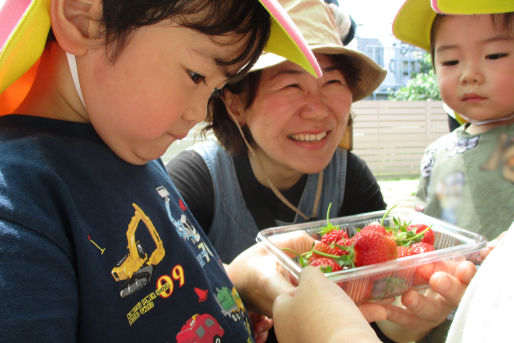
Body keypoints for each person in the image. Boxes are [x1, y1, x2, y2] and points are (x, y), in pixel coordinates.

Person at [0, 0, 324, 341]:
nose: (200, 112)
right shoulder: (19, 210)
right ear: (84, 19)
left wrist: (236, 289)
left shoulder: (128, 146)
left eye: (214, 88)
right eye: (195, 75)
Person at [166, 0, 473, 342]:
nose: (317, 110)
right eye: (291, 85)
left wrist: (405, 322)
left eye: (333, 84)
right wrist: (237, 283)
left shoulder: (349, 179)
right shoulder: (193, 182)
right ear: (236, 104)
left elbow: (373, 313)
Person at [392, 0, 514, 242]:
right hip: (444, 278)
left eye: (494, 55)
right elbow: (424, 223)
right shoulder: (436, 154)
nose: (469, 74)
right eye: (450, 61)